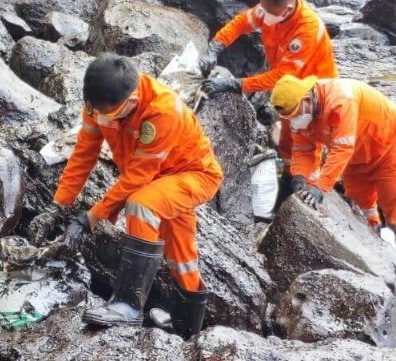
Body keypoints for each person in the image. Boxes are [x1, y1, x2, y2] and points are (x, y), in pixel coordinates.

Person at [31, 54, 223, 339]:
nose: (101, 118)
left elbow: (137, 179)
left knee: (141, 205)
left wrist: (89, 219)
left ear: (132, 100)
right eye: (96, 111)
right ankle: (187, 331)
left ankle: (128, 305)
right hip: (158, 182)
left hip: (193, 175)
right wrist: (58, 205)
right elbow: (83, 155)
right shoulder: (97, 103)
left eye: (110, 113)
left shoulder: (162, 110)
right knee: (181, 256)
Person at [199, 0, 338, 174]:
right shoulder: (270, 7)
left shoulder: (306, 30)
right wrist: (216, 46)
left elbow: (280, 76)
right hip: (288, 84)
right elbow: (241, 23)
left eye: (267, 14)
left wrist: (234, 84)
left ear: (287, 11)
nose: (263, 17)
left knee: (307, 133)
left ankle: (304, 181)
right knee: (288, 133)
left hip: (314, 88)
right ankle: (289, 172)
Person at [271, 74, 396, 232]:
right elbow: (304, 151)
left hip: (389, 145)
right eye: (289, 117)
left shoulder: (340, 101)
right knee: (362, 207)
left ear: (308, 99)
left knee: (393, 213)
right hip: (356, 155)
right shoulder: (303, 117)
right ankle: (374, 239)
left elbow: (341, 149)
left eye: (295, 114)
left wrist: (320, 188)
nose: (294, 121)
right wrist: (299, 177)